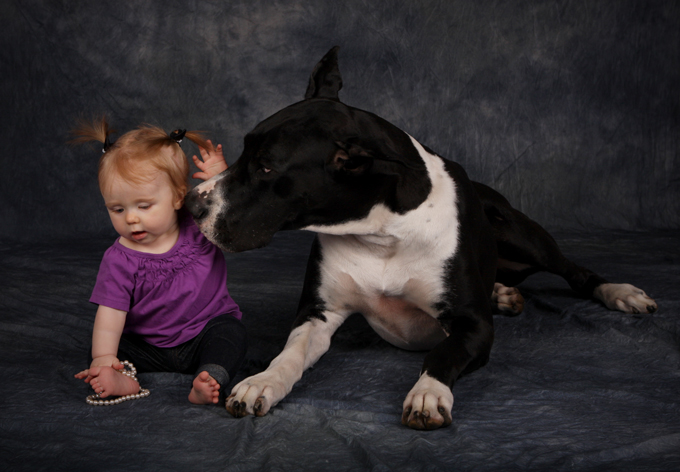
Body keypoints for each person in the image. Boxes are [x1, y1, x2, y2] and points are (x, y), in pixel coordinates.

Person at [72, 118, 245, 406]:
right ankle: (122, 379)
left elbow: (235, 222)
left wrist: (223, 181)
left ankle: (209, 377)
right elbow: (110, 316)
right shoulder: (118, 260)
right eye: (117, 209)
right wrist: (104, 359)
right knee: (101, 348)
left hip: (204, 330)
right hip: (147, 346)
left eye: (144, 206)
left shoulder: (197, 220)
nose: (131, 218)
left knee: (231, 334)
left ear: (178, 197)